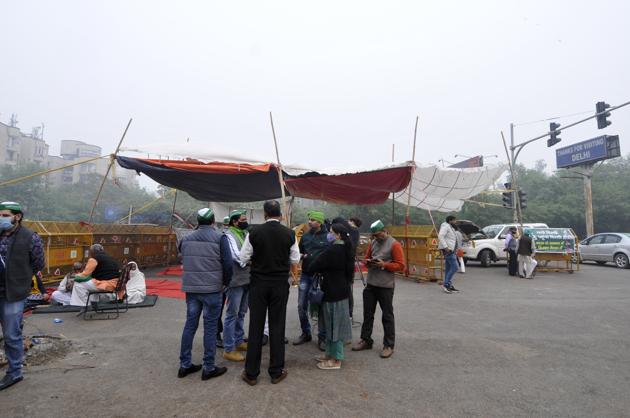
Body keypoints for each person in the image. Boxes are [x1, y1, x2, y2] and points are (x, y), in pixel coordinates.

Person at [240, 200, 300, 386]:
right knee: (277, 326)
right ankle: (275, 372)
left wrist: (257, 262)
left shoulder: (254, 232)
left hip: (258, 284)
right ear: (280, 215)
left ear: (265, 214)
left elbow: (243, 258)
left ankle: (251, 374)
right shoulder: (289, 234)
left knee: (256, 326)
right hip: (279, 285)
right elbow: (295, 259)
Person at [177, 208, 232, 381]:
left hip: (192, 290)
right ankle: (208, 367)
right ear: (213, 221)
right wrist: (225, 282)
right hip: (212, 290)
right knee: (210, 328)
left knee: (190, 325)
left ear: (198, 221)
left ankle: (184, 365)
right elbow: (228, 264)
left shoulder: (185, 239)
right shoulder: (220, 238)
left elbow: (182, 258)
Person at [0, 201, 46, 391]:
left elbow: (38, 263)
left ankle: (15, 371)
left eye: (4, 215)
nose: (1, 219)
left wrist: (21, 277)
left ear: (17, 217)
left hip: (14, 293)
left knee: (11, 335)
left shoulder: (30, 237)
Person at [352, 220, 405, 359]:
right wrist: (368, 262)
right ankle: (366, 340)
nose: (376, 237)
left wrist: (384, 265)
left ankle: (388, 345)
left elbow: (401, 266)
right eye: (374, 235)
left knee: (387, 315)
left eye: (377, 234)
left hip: (385, 286)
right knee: (367, 314)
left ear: (384, 230)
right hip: (371, 284)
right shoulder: (373, 243)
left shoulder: (394, 244)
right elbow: (367, 258)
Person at [309, 223, 354, 370]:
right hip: (342, 291)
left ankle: (336, 359)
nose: (329, 234)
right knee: (332, 325)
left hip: (332, 293)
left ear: (338, 235)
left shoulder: (332, 250)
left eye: (331, 232)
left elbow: (313, 266)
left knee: (334, 326)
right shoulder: (347, 249)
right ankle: (329, 353)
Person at [293, 210, 330, 351]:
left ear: (319, 222)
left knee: (320, 306)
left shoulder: (328, 236)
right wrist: (302, 256)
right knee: (301, 305)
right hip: (306, 275)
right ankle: (306, 333)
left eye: (313, 220)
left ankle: (322, 337)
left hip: (320, 277)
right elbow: (299, 252)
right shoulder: (306, 236)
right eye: (309, 219)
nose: (309, 222)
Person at [222, 209, 250, 362]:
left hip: (246, 279)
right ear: (234, 221)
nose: (245, 221)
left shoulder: (244, 234)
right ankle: (228, 348)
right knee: (232, 314)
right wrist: (250, 260)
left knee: (241, 312)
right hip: (235, 281)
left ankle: (239, 341)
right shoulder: (228, 236)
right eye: (242, 219)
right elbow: (236, 255)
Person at [437, 215, 460, 293]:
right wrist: (446, 247)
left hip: (452, 250)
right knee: (455, 267)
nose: (455, 222)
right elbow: (440, 236)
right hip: (448, 250)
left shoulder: (451, 227)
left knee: (448, 268)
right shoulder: (446, 226)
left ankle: (449, 285)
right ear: (450, 221)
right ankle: (446, 284)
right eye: (454, 220)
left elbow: (452, 239)